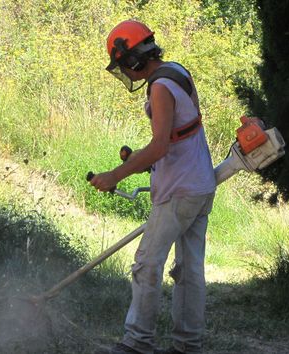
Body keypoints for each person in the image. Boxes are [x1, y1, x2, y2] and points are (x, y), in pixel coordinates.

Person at [90, 19, 216, 354]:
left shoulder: (159, 87)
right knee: (188, 269)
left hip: (180, 189)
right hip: (200, 182)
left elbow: (160, 145)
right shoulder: (176, 71)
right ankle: (188, 345)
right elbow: (180, 134)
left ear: (132, 59)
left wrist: (116, 174)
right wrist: (145, 159)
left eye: (122, 65)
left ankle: (137, 342)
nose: (125, 73)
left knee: (147, 263)